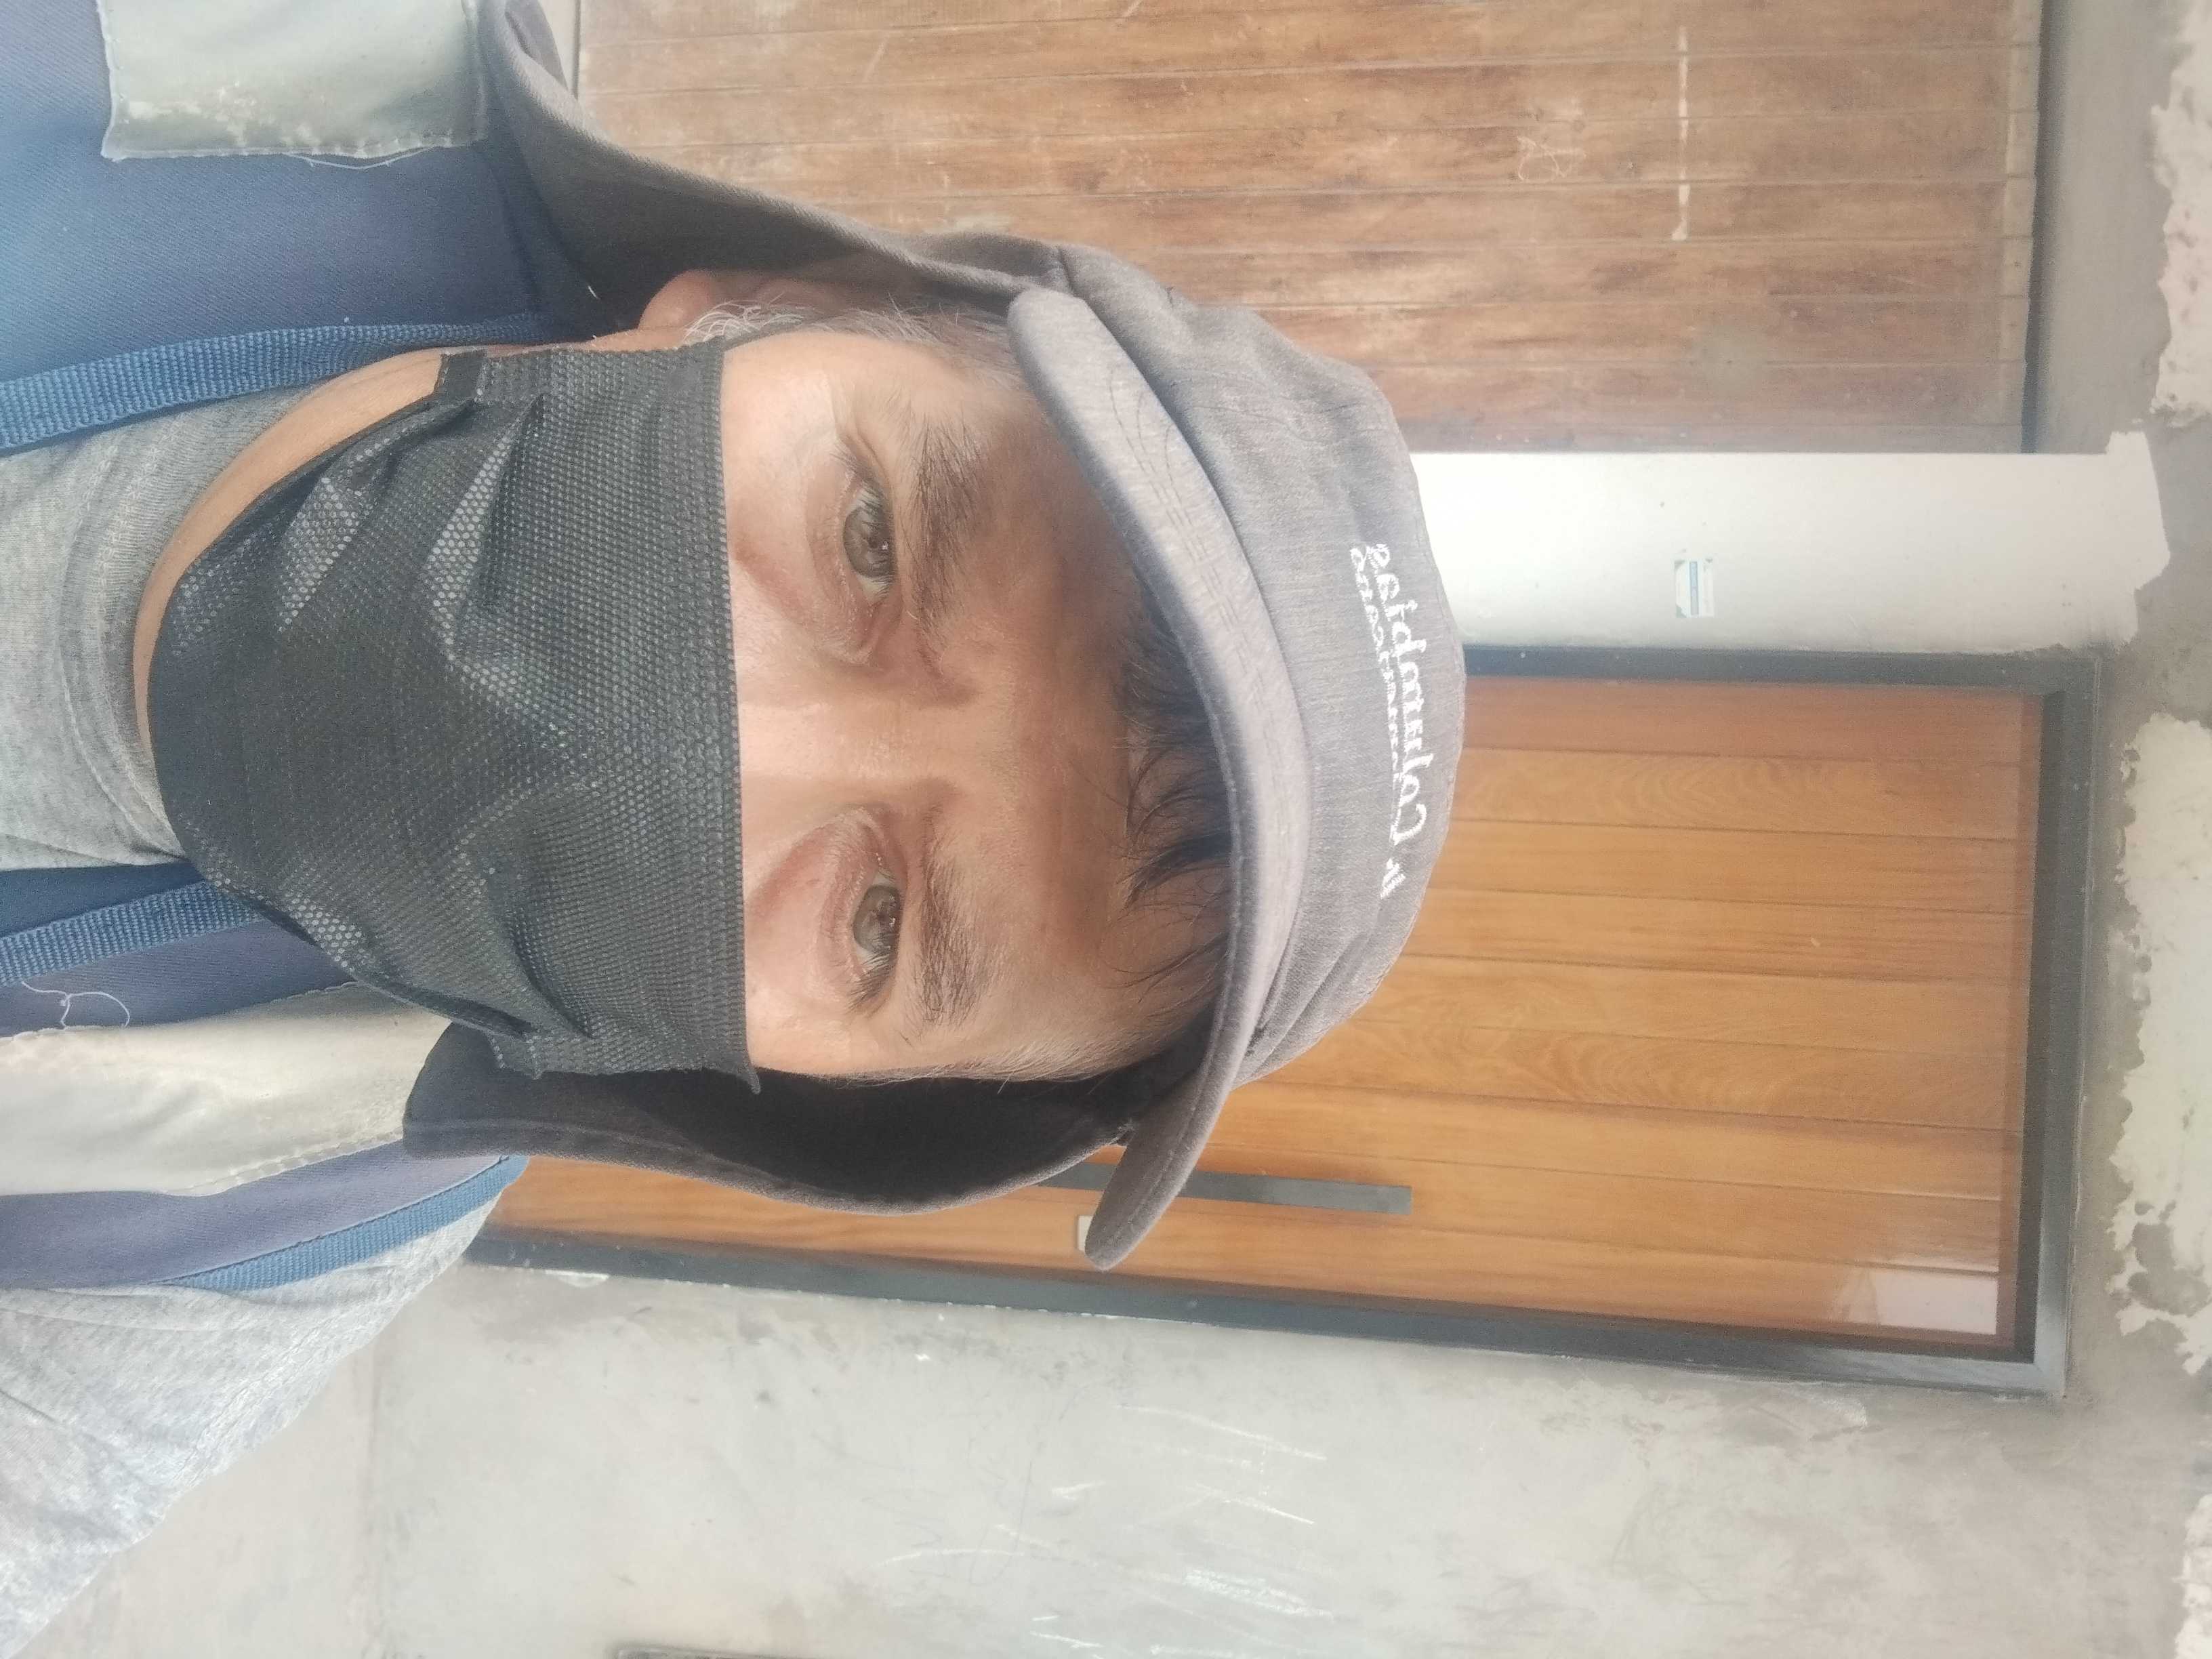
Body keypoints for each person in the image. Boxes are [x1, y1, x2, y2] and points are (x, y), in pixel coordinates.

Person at [0, 0, 1462, 1645]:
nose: (744, 736)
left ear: (784, 1085)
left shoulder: (283, 1215)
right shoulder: (259, 42)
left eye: (882, 926)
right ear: (765, 305)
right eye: (869, 538)